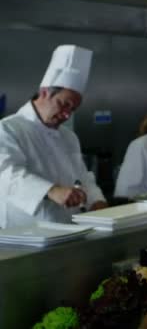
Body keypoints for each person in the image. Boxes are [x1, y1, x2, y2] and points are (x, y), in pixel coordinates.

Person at [0, 45, 108, 228]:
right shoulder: (8, 129)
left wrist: (96, 201)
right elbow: (7, 175)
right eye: (64, 104)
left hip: (68, 230)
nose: (67, 115)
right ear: (44, 92)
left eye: (73, 109)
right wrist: (50, 190)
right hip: (26, 234)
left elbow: (82, 177)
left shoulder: (69, 137)